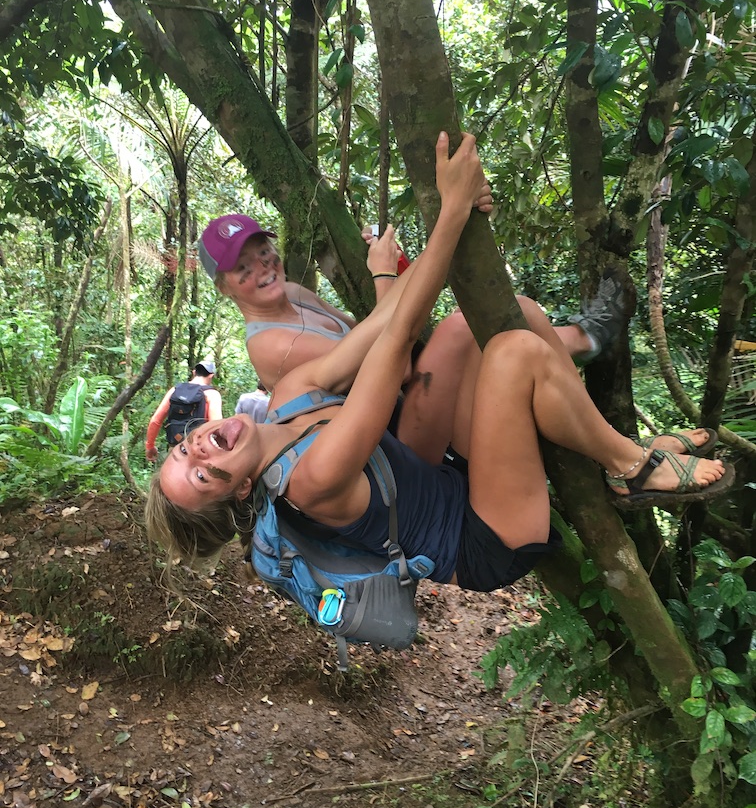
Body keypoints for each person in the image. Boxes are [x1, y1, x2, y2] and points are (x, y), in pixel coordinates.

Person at [147, 132, 733, 583]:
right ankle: (632, 469)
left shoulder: (288, 398)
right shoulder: (311, 478)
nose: (197, 448)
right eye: (200, 474)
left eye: (182, 449)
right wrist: (449, 214)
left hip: (450, 476)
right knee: (515, 354)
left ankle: (621, 449)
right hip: (484, 539)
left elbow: (378, 327)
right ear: (239, 492)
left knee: (517, 318)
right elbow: (397, 340)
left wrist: (457, 219)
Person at [197, 202, 627, 467]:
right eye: (243, 268)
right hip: (402, 444)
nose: (263, 267)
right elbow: (394, 365)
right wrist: (386, 273)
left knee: (520, 312)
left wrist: (396, 267)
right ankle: (615, 446)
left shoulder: (294, 293)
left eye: (264, 251)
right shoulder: (270, 344)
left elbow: (367, 331)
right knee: (463, 326)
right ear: (224, 287)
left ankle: (583, 342)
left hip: (411, 403)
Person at [145, 360, 222, 462]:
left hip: (175, 449)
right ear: (211, 376)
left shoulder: (175, 390)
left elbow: (156, 420)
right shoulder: (212, 394)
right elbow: (215, 427)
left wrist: (150, 446)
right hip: (198, 452)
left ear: (194, 372)